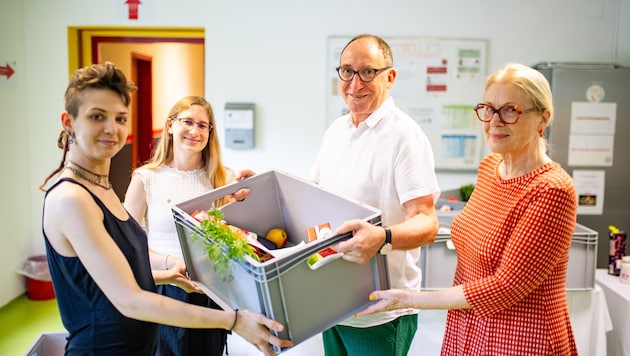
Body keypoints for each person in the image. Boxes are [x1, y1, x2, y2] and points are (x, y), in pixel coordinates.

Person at [39, 62, 292, 355]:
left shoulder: (102, 188)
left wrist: (167, 274)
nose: (112, 129)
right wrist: (233, 320)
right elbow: (129, 299)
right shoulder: (72, 198)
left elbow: (118, 273)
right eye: (97, 116)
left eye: (121, 118)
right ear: (68, 122)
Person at [356, 63, 579, 355]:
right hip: (469, 329)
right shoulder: (490, 168)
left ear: (543, 118)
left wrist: (408, 298)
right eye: (488, 108)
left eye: (510, 110)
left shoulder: (552, 190)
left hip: (521, 337)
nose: (494, 121)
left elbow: (505, 286)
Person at [311, 34, 441, 356]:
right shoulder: (336, 131)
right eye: (347, 71)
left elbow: (427, 223)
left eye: (368, 72)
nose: (355, 83)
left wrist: (382, 237)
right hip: (334, 303)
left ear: (390, 77)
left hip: (381, 311)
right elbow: (314, 195)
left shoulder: (404, 136)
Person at [123, 95, 253, 356]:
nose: (195, 131)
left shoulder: (222, 178)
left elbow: (238, 235)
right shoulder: (145, 179)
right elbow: (128, 248)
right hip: (164, 288)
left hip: (210, 290)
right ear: (170, 125)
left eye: (203, 125)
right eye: (187, 122)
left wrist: (251, 195)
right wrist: (171, 263)